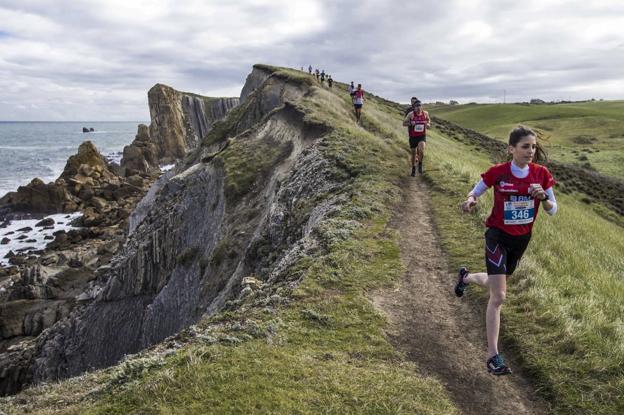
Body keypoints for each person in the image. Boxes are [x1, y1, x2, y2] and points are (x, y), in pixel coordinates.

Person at [455, 125, 558, 376]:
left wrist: (544, 197)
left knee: (493, 284)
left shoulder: (541, 174)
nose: (531, 151)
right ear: (511, 149)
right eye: (525, 146)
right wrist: (470, 200)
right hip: (497, 237)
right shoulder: (498, 173)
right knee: (499, 296)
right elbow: (476, 190)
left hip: (521, 241)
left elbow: (553, 209)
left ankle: (465, 277)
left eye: (533, 146)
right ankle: (493, 356)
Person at [402, 99, 430, 175]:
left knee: (421, 150)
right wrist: (411, 123)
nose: (418, 108)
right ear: (414, 107)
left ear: (422, 107)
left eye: (420, 106)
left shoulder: (425, 113)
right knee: (414, 154)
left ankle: (420, 165)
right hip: (413, 136)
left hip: (422, 136)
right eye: (417, 106)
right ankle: (413, 168)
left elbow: (428, 123)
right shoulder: (411, 114)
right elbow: (404, 123)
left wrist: (427, 125)